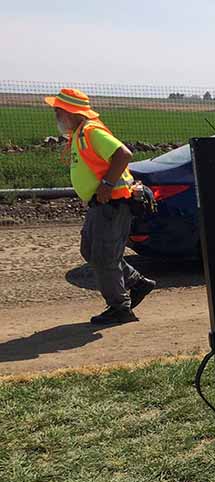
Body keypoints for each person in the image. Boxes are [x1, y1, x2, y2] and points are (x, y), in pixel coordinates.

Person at [46, 88, 155, 325]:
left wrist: (106, 184)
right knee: (91, 251)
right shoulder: (79, 133)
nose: (56, 115)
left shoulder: (91, 132)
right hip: (101, 205)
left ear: (71, 112)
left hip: (112, 204)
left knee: (104, 257)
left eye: (58, 111)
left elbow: (123, 154)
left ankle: (120, 308)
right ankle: (136, 283)